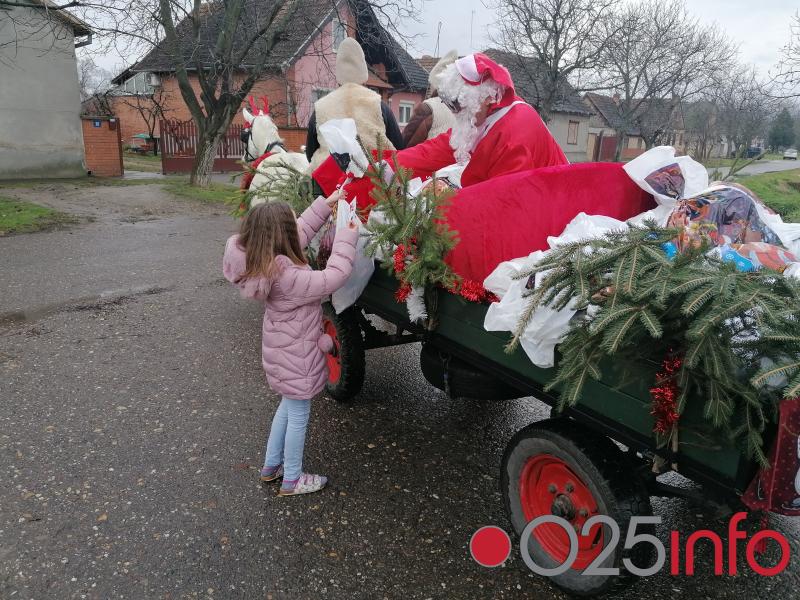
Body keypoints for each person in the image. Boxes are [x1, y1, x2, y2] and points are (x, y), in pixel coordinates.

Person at [222, 191, 359, 496]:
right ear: (281, 237)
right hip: (297, 357)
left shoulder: (261, 259)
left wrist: (326, 204)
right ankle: (292, 478)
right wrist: (347, 234)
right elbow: (335, 275)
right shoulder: (288, 276)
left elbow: (299, 231)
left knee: (287, 406)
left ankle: (272, 466)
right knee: (299, 415)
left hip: (282, 354)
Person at [312, 53, 568, 204]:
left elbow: (500, 201)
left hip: (546, 204)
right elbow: (436, 149)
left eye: (456, 105)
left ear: (486, 97)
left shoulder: (515, 131)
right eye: (450, 105)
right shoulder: (481, 118)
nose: (453, 112)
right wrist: (387, 169)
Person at [305, 37, 405, 172]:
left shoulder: (321, 108)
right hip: (376, 181)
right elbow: (399, 147)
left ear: (339, 74)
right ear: (363, 73)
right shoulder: (378, 105)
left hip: (332, 185)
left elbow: (310, 153)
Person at [401, 50, 458, 148]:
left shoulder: (428, 107)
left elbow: (407, 141)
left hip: (427, 159)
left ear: (435, 83)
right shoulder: (462, 109)